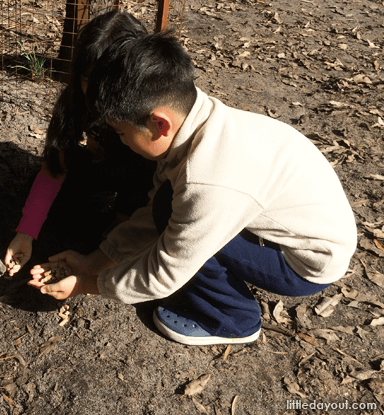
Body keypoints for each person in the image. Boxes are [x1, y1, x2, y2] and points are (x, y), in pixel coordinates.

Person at [28, 31, 357, 346]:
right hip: (280, 223)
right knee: (167, 207)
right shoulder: (201, 121)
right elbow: (158, 208)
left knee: (188, 234)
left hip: (307, 264)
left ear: (159, 124)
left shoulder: (209, 179)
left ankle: (233, 320)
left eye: (122, 132)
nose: (122, 142)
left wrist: (86, 285)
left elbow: (166, 270)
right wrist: (96, 260)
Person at [5, 10, 155, 276]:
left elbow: (145, 179)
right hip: (103, 168)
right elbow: (55, 165)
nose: (96, 94)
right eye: (89, 79)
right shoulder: (74, 102)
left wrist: (112, 238)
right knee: (28, 201)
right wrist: (25, 233)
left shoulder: (148, 111)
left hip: (141, 181)